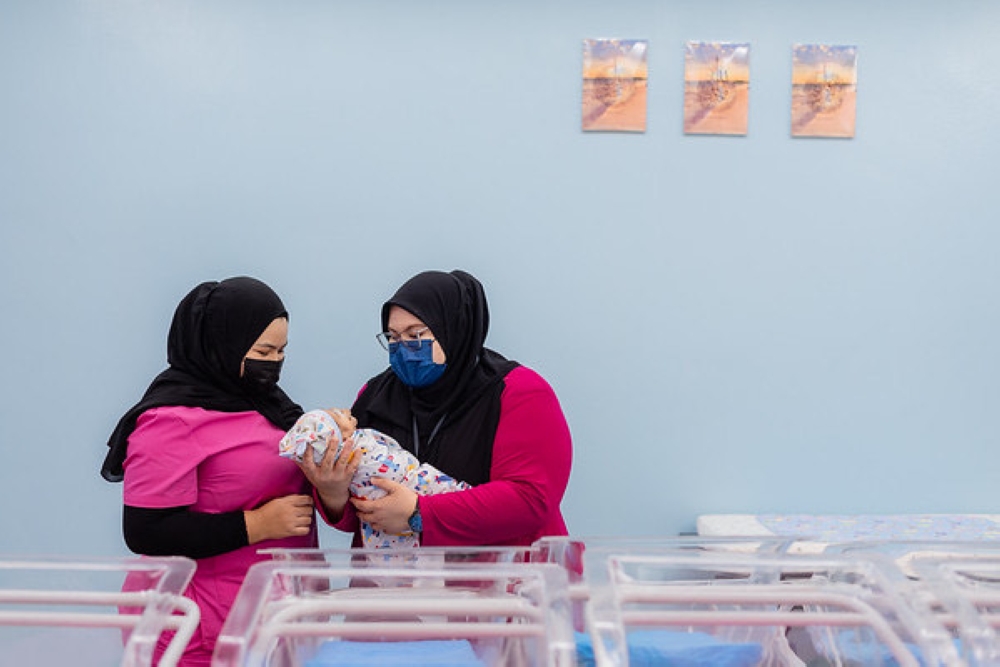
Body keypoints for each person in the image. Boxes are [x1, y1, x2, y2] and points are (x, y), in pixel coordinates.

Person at [101, 276, 318, 667]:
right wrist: (257, 525)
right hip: (198, 628)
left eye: (281, 350)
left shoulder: (272, 406)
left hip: (272, 617)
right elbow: (144, 530)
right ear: (221, 346)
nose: (272, 363)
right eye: (263, 350)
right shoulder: (170, 421)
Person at [299, 269, 573, 547]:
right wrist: (333, 494)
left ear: (453, 329)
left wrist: (419, 514)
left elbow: (530, 499)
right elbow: (364, 508)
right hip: (401, 585)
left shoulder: (518, 391)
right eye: (393, 337)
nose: (403, 347)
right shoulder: (376, 395)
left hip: (506, 579)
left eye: (416, 334)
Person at [280, 407, 471, 548]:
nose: (345, 411)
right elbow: (354, 517)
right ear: (339, 436)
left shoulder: (497, 392)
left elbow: (496, 508)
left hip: (472, 549)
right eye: (338, 416)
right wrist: (333, 494)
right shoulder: (374, 403)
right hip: (391, 498)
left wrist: (419, 512)